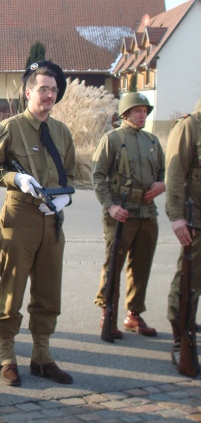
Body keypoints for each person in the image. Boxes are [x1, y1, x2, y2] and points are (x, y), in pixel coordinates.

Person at [0, 61, 76, 387]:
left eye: (53, 89)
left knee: (49, 291)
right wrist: (15, 177)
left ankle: (42, 356)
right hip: (20, 217)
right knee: (13, 289)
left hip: (53, 220)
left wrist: (64, 198)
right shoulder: (10, 128)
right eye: (43, 89)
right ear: (28, 91)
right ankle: (7, 356)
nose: (49, 95)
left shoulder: (61, 131)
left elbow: (71, 174)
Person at [92, 92, 165, 338]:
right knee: (113, 265)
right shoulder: (112, 139)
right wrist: (110, 206)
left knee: (141, 266)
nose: (142, 114)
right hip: (120, 213)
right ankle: (107, 314)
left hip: (147, 212)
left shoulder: (152, 141)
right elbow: (98, 176)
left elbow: (164, 173)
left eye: (144, 110)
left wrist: (161, 185)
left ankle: (133, 314)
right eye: (137, 110)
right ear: (125, 113)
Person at [165, 98, 201, 368]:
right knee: (189, 282)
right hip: (195, 220)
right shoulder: (190, 126)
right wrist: (177, 217)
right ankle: (181, 339)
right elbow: (175, 175)